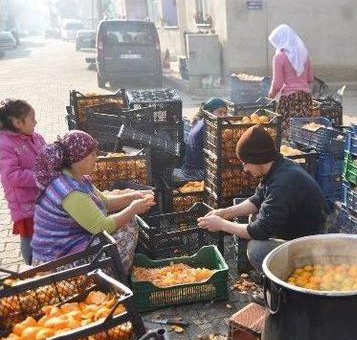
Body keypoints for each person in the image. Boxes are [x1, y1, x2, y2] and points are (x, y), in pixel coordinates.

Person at [197, 124, 327, 270]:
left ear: (257, 159)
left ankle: (287, 279)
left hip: (313, 245)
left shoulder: (283, 183)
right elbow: (257, 199)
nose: (244, 169)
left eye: (245, 163)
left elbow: (258, 231)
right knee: (254, 217)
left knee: (256, 250)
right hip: (296, 228)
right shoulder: (277, 166)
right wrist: (224, 212)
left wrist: (221, 224)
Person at [31, 130, 155, 272]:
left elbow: (105, 202)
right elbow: (102, 227)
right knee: (127, 228)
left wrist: (135, 196)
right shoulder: (70, 191)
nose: (96, 158)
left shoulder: (77, 177)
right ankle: (109, 278)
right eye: (92, 155)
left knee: (128, 221)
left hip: (72, 243)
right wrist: (133, 208)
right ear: (78, 159)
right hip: (60, 261)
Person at [0, 99, 46, 265]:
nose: (35, 121)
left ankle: (45, 262)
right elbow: (11, 175)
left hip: (42, 198)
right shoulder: (4, 144)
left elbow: (47, 156)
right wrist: (41, 176)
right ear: (18, 122)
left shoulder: (36, 137)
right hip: (24, 204)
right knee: (29, 237)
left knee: (43, 233)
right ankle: (31, 266)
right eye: (32, 118)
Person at [267, 24, 314, 137]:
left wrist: (271, 95)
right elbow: (310, 78)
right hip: (305, 98)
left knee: (286, 134)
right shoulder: (304, 54)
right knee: (304, 132)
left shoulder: (279, 57)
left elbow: (277, 83)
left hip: (289, 99)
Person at [174, 98, 228, 182]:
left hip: (188, 168)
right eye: (220, 112)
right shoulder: (207, 129)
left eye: (225, 113)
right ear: (209, 112)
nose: (223, 116)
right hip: (195, 172)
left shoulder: (201, 121)